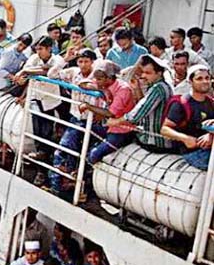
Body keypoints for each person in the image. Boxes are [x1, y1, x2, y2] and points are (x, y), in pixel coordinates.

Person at [48, 49, 103, 194]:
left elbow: (106, 89)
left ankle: (74, 184)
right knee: (66, 149)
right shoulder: (73, 72)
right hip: (76, 119)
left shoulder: (98, 76)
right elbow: (51, 74)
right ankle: (57, 185)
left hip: (92, 121)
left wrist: (93, 86)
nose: (83, 65)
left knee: (81, 153)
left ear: (92, 62)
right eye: (80, 61)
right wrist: (65, 60)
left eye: (86, 61)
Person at [15, 36, 66, 185]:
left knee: (47, 133)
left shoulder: (57, 59)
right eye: (37, 49)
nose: (39, 52)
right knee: (39, 135)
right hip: (36, 98)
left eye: (41, 49)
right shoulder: (34, 58)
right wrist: (29, 71)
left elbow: (52, 72)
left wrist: (29, 71)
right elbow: (28, 69)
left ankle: (49, 168)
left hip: (51, 101)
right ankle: (41, 171)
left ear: (49, 49)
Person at [106, 55, 173, 153]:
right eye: (143, 72)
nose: (143, 76)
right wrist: (137, 88)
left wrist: (115, 122)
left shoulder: (158, 89)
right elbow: (145, 105)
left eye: (148, 73)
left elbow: (136, 116)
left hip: (155, 142)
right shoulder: (160, 86)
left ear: (159, 73)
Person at [81, 60, 135, 164]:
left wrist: (88, 106)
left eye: (100, 79)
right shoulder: (105, 85)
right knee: (81, 129)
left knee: (94, 155)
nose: (96, 81)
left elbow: (111, 113)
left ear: (109, 78)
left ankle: (86, 173)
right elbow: (82, 84)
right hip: (109, 126)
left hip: (122, 131)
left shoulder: (123, 90)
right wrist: (103, 89)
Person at [161, 65, 214, 170]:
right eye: (199, 78)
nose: (205, 81)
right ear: (190, 82)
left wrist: (211, 135)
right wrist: (185, 138)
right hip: (194, 152)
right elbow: (165, 129)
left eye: (207, 78)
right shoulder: (182, 104)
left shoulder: (210, 102)